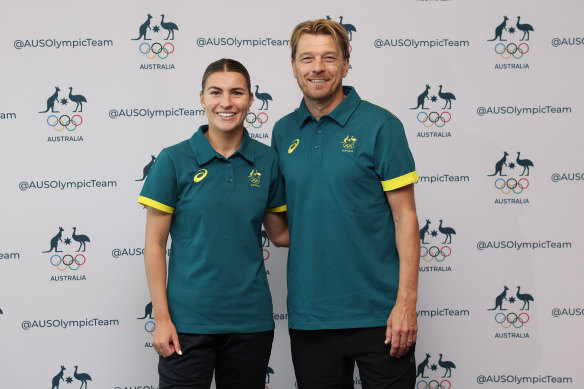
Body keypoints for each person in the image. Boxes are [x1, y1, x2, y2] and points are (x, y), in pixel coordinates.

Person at [271, 19, 420, 388]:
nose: (317, 67)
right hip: (310, 317)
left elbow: (405, 219)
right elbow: (282, 229)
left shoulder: (381, 125)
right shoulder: (282, 131)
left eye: (328, 57)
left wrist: (405, 304)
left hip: (380, 316)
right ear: (293, 66)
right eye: (307, 58)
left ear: (346, 63)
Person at [138, 58, 288, 389]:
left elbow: (279, 234)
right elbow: (154, 246)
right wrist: (161, 318)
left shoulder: (267, 161)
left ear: (250, 99)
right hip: (187, 323)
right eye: (216, 92)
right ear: (202, 98)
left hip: (250, 322)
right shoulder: (173, 160)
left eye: (237, 93)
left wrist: (346, 225)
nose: (226, 102)